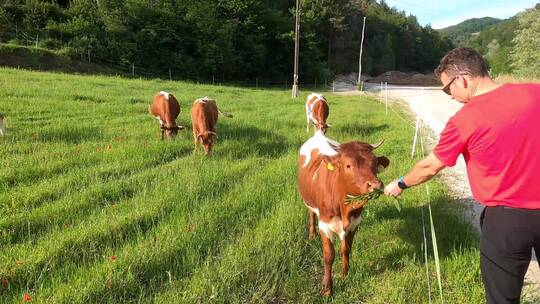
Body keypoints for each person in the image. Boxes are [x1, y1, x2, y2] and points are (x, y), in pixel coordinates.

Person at [384, 47, 540, 304]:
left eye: (447, 89)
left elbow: (430, 167)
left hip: (506, 221)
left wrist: (400, 182)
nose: (450, 96)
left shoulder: (465, 119)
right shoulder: (534, 93)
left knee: (503, 298)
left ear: (463, 79)